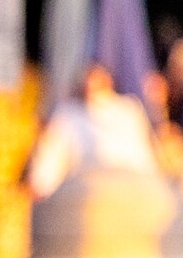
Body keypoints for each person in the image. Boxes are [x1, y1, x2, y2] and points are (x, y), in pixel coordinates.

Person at [24, 60, 161, 197]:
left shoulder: (128, 111)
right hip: (85, 192)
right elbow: (51, 159)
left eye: (98, 82)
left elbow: (143, 155)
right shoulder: (68, 114)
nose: (92, 87)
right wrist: (40, 183)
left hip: (129, 188)